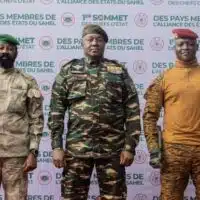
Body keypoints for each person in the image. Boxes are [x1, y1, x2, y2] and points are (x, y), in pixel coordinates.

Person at [48, 24, 141, 200]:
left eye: (99, 40)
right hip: (77, 150)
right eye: (90, 39)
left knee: (114, 198)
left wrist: (130, 147)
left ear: (105, 44)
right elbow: (56, 112)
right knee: (72, 197)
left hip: (112, 151)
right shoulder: (69, 71)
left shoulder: (118, 72)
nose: (94, 43)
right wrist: (56, 147)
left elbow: (133, 111)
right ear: (82, 43)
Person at [143, 28, 200, 200]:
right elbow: (149, 116)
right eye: (181, 44)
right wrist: (154, 149)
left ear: (196, 47)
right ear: (174, 47)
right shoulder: (164, 78)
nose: (185, 48)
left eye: (190, 44)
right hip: (173, 150)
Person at [0, 34, 44, 200]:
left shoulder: (27, 81)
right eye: (2, 48)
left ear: (16, 53)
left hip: (16, 154)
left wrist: (33, 151)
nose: (6, 52)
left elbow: (36, 119)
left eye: (10, 49)